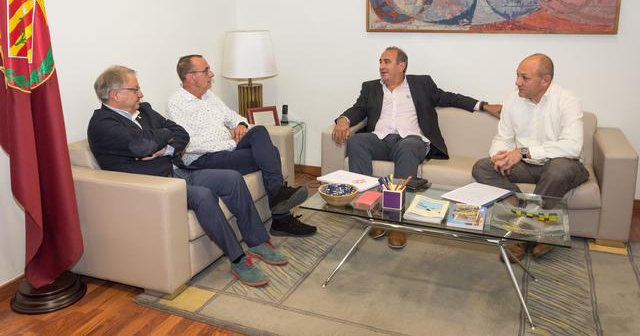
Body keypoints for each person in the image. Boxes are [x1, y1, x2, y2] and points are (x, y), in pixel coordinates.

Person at [88, 65, 288, 287]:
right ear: (115, 95)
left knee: (232, 178)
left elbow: (181, 134)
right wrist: (164, 135)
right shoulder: (102, 124)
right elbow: (142, 146)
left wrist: (164, 145)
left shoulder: (144, 110)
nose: (141, 94)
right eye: (135, 89)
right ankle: (238, 259)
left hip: (177, 171)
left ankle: (258, 242)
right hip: (156, 186)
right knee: (203, 196)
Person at [332, 47, 501, 248]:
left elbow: (450, 98)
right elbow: (358, 109)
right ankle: (371, 212)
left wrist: (484, 105)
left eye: (387, 62)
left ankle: (396, 222)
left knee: (408, 146)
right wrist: (343, 120)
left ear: (401, 65)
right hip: (381, 140)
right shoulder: (370, 87)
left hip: (412, 141)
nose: (381, 66)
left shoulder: (421, 84)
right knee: (357, 141)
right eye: (380, 62)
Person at [166, 55, 316, 238]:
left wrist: (241, 126)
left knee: (259, 131)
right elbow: (189, 144)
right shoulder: (176, 104)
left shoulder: (209, 96)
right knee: (272, 153)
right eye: (206, 71)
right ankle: (281, 217)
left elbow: (235, 117)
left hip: (226, 150)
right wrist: (231, 141)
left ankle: (278, 197)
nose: (211, 74)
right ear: (191, 76)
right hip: (203, 160)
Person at [472, 53, 589, 262]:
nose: (517, 82)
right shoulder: (513, 100)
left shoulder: (567, 100)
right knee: (483, 167)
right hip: (528, 165)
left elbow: (572, 147)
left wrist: (523, 152)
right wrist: (499, 156)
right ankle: (535, 225)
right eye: (517, 75)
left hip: (564, 165)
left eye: (524, 78)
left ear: (545, 80)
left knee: (558, 169)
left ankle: (520, 234)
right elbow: (503, 138)